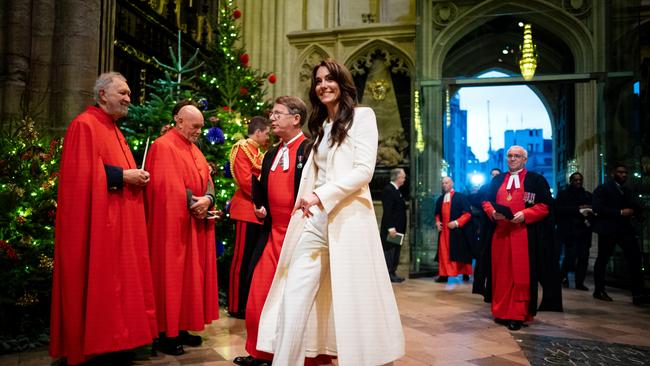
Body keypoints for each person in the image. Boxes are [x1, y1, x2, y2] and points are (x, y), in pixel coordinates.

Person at [256, 59, 404, 365]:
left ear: (342, 82)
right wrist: (308, 199)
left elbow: (363, 171)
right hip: (314, 223)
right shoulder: (322, 126)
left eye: (329, 79)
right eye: (318, 80)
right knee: (293, 296)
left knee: (354, 300)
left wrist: (320, 196)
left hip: (347, 221)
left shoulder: (363, 117)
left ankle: (365, 358)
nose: (323, 85)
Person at [50, 72, 157, 364]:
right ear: (102, 96)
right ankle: (97, 345)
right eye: (122, 93)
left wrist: (134, 177)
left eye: (129, 94)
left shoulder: (112, 128)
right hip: (97, 226)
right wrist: (124, 175)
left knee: (119, 286)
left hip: (118, 225)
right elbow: (80, 177)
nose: (128, 99)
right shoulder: (84, 126)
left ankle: (118, 340)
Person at [234, 96, 330, 366]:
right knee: (258, 294)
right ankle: (260, 352)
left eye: (278, 114)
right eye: (272, 114)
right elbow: (262, 189)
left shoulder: (310, 149)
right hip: (272, 233)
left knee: (294, 299)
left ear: (296, 118)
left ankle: (304, 356)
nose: (272, 119)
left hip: (300, 235)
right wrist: (261, 206)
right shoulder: (271, 154)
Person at [144, 100, 219, 355]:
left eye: (201, 127)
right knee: (172, 277)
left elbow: (207, 178)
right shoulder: (163, 146)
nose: (199, 131)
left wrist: (208, 199)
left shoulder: (194, 148)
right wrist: (193, 202)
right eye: (195, 126)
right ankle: (166, 332)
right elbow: (167, 186)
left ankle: (182, 326)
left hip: (193, 223)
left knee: (191, 278)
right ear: (179, 120)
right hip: (173, 226)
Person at [480, 145, 562, 331]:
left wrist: (526, 214)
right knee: (501, 275)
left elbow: (545, 206)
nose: (512, 159)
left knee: (520, 276)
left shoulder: (536, 180)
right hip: (500, 236)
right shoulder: (498, 179)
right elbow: (486, 201)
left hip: (523, 236)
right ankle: (501, 312)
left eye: (517, 156)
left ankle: (517, 315)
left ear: (525, 159)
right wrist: (493, 213)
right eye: (509, 156)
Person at [228, 116, 270, 318]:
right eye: (267, 133)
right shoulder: (242, 148)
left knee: (252, 260)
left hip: (257, 212)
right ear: (259, 131)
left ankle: (246, 303)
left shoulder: (258, 152)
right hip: (246, 210)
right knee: (241, 261)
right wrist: (260, 200)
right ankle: (235, 305)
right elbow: (246, 180)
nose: (268, 137)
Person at [592, 163, 649, 305]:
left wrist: (637, 213)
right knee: (603, 259)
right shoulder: (603, 188)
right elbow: (597, 208)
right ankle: (599, 290)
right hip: (608, 229)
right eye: (620, 172)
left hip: (625, 230)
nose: (623, 175)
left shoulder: (627, 190)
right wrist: (619, 212)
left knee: (635, 259)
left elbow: (634, 205)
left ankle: (638, 294)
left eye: (625, 173)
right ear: (613, 174)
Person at [556, 172, 593, 291]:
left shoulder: (587, 195)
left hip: (584, 230)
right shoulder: (563, 194)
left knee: (584, 257)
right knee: (570, 256)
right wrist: (577, 209)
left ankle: (579, 282)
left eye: (580, 180)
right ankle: (562, 277)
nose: (578, 182)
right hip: (569, 231)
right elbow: (559, 210)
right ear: (571, 181)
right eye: (576, 180)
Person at [434, 176, 474, 283]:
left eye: (446, 183)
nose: (444, 185)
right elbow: (437, 214)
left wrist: (456, 223)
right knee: (444, 253)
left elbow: (467, 214)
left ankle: (465, 273)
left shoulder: (461, 197)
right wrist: (438, 222)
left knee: (461, 253)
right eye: (443, 183)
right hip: (444, 232)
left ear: (452, 183)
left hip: (458, 231)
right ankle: (443, 275)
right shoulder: (440, 199)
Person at [380, 168, 407, 283]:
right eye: (403, 177)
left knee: (395, 251)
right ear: (397, 177)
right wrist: (391, 227)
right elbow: (388, 210)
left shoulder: (397, 190)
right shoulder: (388, 190)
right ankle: (389, 273)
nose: (404, 179)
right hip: (392, 229)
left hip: (398, 228)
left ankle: (393, 272)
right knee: (390, 251)